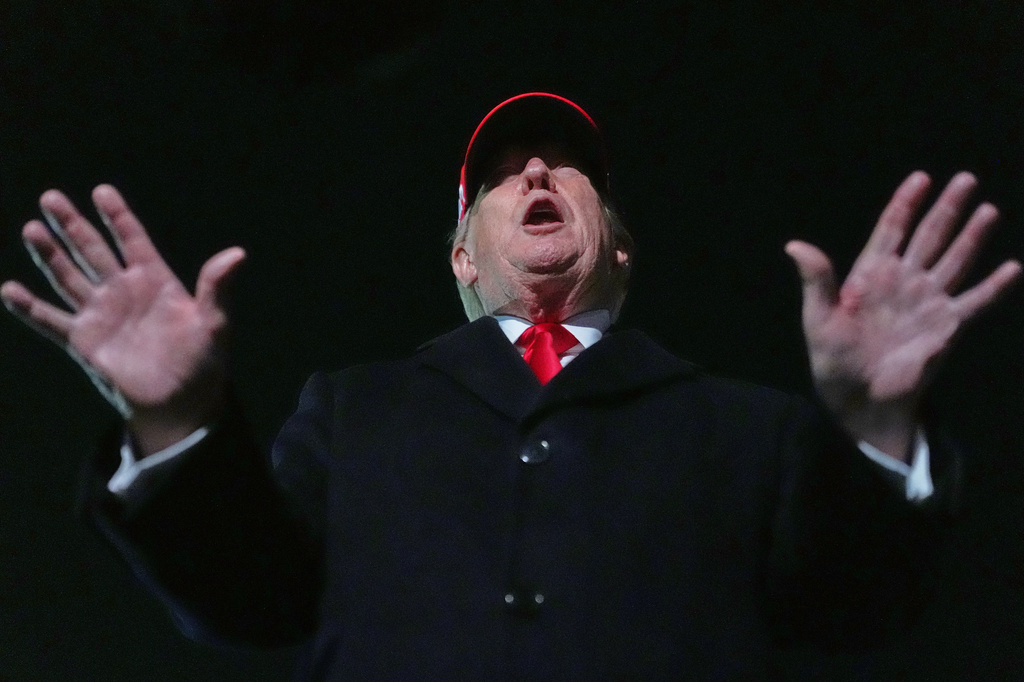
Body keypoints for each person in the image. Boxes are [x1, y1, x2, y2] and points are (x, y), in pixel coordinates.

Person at [2, 92, 1020, 680]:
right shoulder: (353, 411)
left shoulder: (746, 430)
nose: (537, 168)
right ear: (460, 256)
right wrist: (177, 418)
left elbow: (853, 611)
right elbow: (251, 604)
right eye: (505, 172)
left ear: (618, 248)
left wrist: (876, 423)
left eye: (569, 165)